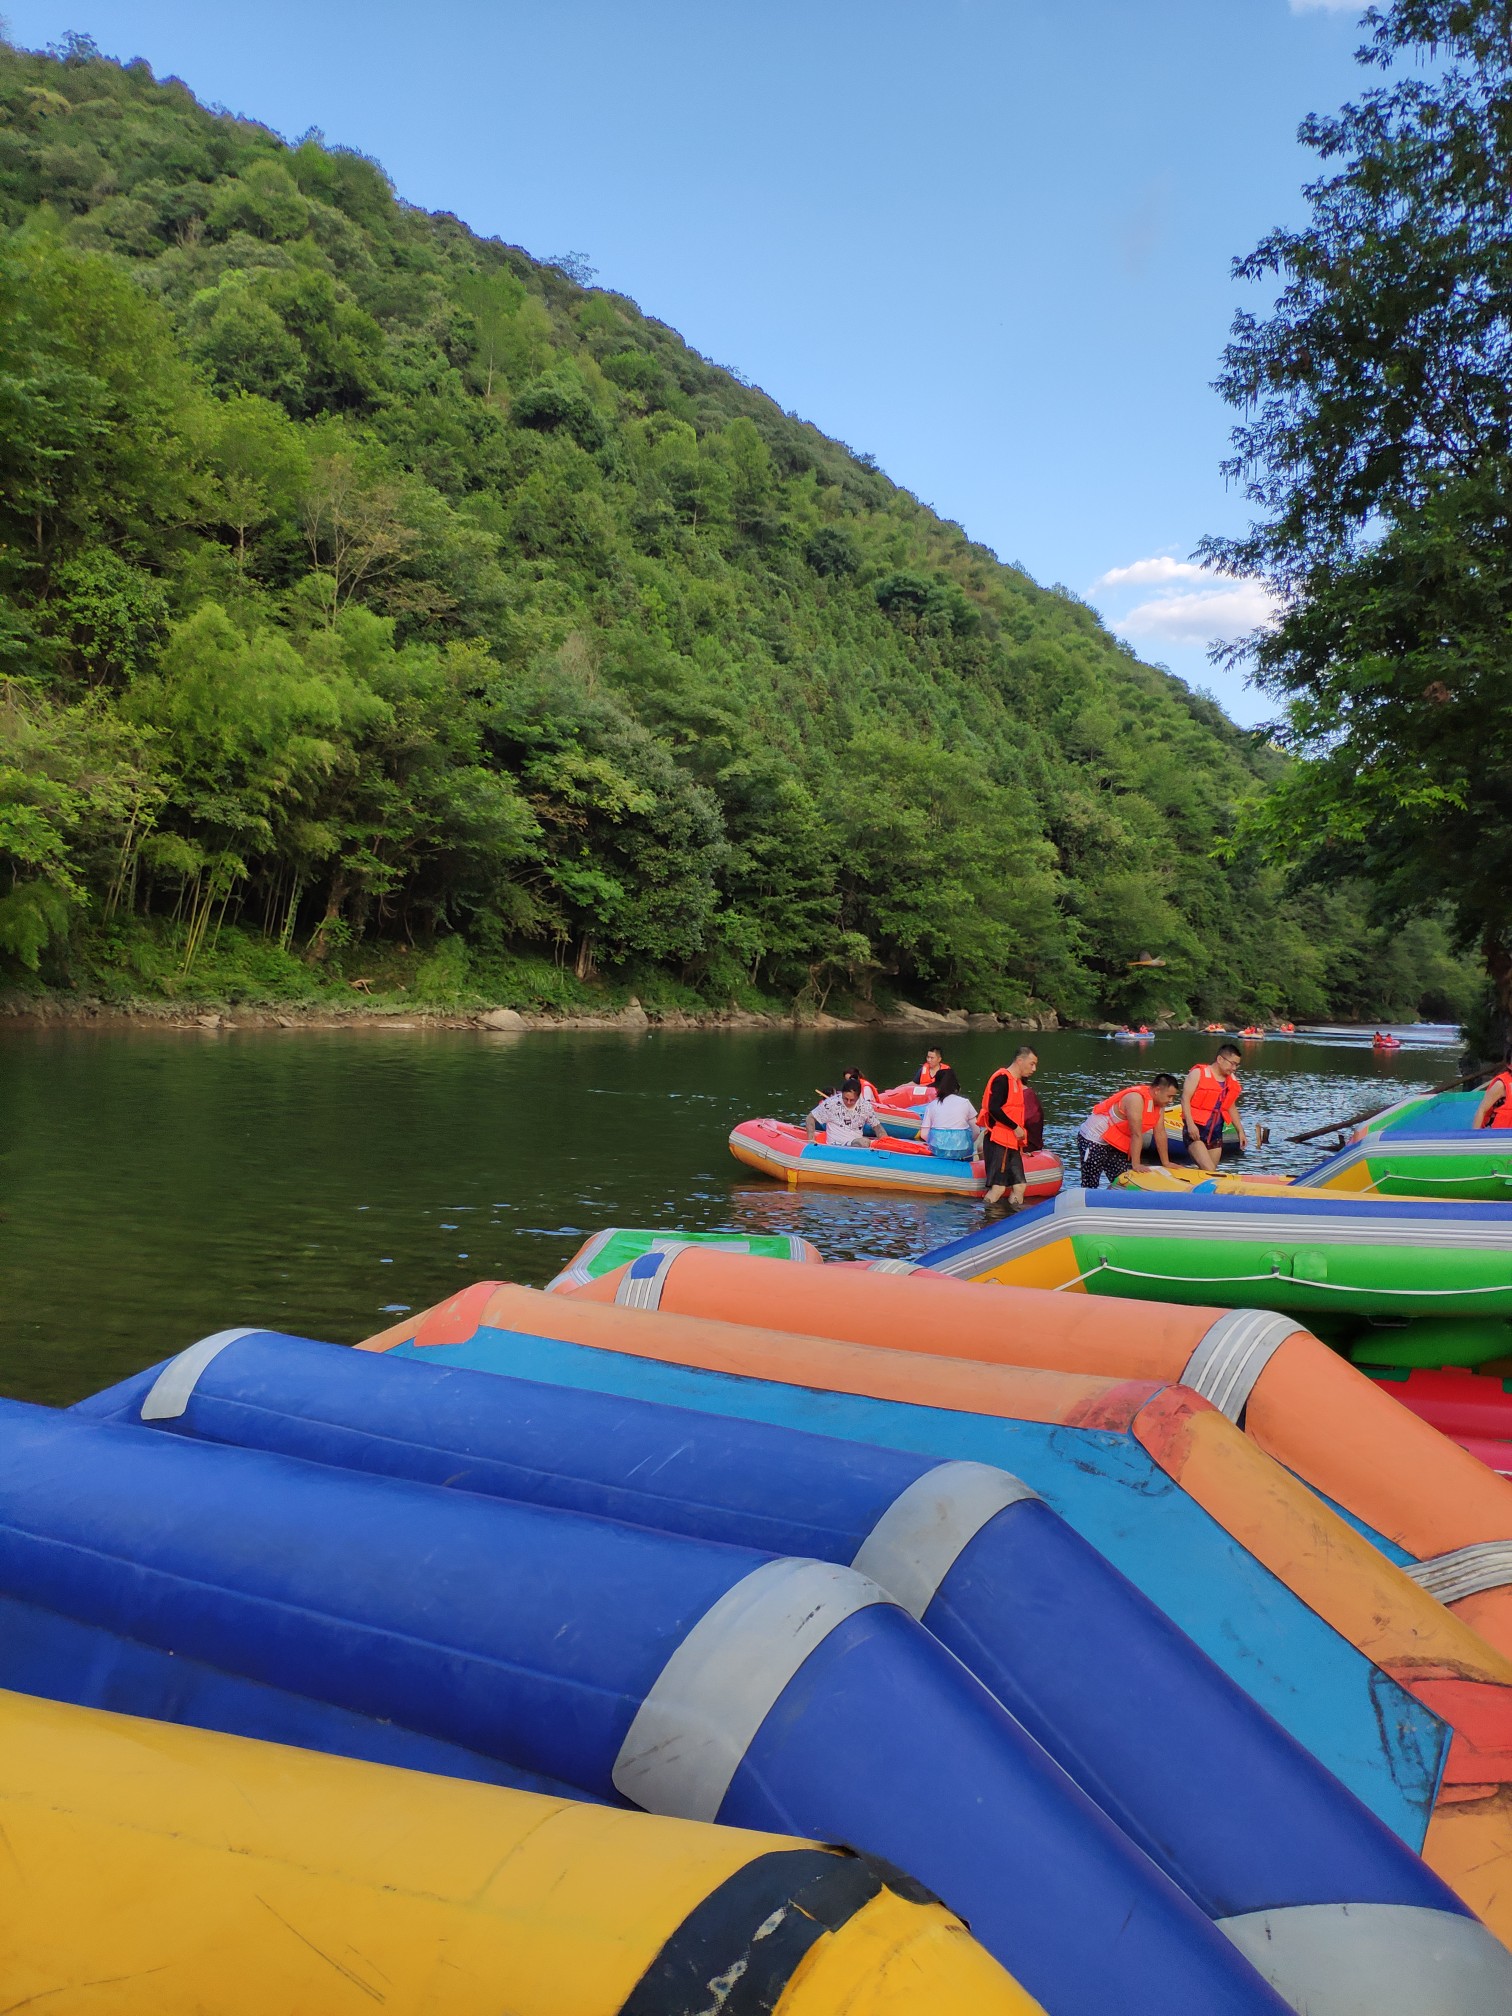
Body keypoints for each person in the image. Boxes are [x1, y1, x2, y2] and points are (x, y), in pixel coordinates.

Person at [1078, 1074, 1180, 1189]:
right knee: (1090, 1182)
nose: (1171, 1101)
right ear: (1157, 1090)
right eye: (1169, 1096)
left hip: (1114, 1142)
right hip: (1094, 1138)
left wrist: (1166, 1162)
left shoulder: (1159, 1106)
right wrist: (1136, 1164)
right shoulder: (1135, 1099)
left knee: (1122, 1180)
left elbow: (1160, 1133)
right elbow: (1135, 1133)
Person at [978, 1047, 1039, 1209]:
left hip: (1011, 1141)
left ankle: (1012, 1222)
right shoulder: (1002, 1080)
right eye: (1031, 1064)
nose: (1034, 1069)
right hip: (998, 1140)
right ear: (1020, 1061)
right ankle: (987, 1220)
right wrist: (1015, 1127)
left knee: (1020, 1186)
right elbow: (994, 1108)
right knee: (998, 1188)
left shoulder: (1017, 1082)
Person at [1181, 1042, 1247, 1173]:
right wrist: (1190, 1124)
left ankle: (1197, 1190)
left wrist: (1240, 1131)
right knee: (1210, 1169)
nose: (1234, 1068)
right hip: (1196, 1131)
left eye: (1237, 1065)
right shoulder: (1198, 1073)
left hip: (1216, 1132)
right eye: (1232, 1063)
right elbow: (1185, 1099)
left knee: (1210, 1172)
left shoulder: (1231, 1081)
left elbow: (1230, 1106)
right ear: (1220, 1059)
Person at [918, 1065, 977, 1160]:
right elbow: (976, 1131)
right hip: (962, 1150)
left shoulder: (932, 1105)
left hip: (939, 1149)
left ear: (937, 1088)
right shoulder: (965, 1102)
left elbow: (924, 1134)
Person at [806, 1073, 876, 1148]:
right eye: (846, 1099)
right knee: (862, 1142)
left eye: (851, 1100)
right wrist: (811, 1141)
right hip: (837, 1145)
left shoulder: (863, 1104)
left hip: (853, 1141)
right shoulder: (831, 1104)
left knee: (866, 1142)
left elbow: (877, 1126)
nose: (848, 1102)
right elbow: (810, 1118)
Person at [1473, 1063, 1512, 1130]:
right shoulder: (1501, 1085)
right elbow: (1482, 1110)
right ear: (1509, 1065)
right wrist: (1474, 1137)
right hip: (1498, 1136)